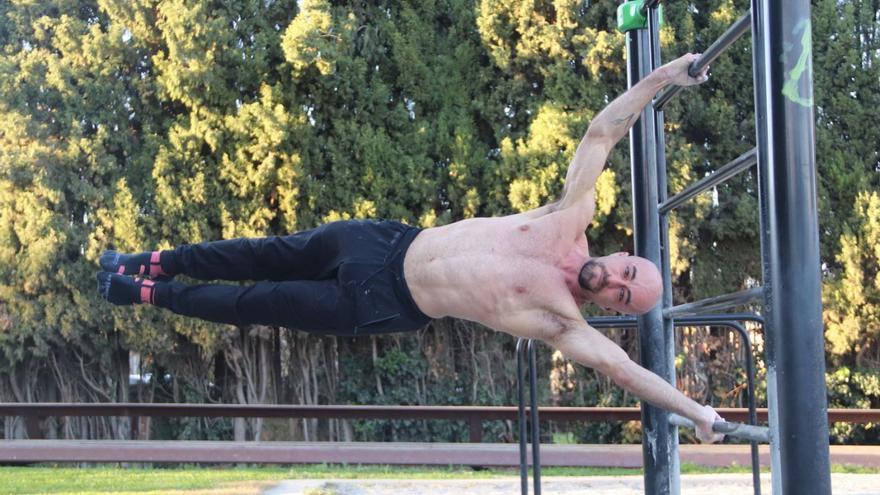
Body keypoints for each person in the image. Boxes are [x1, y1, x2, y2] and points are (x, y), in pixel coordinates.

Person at [98, 53, 724, 443]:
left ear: (614, 307)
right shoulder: (568, 215)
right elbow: (602, 132)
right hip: (381, 241)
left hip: (383, 303)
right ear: (624, 254)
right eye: (627, 272)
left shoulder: (562, 321)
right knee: (256, 254)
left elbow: (625, 370)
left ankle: (143, 292)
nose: (615, 282)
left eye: (622, 296)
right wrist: (665, 77)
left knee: (258, 303)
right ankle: (148, 260)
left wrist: (693, 409)